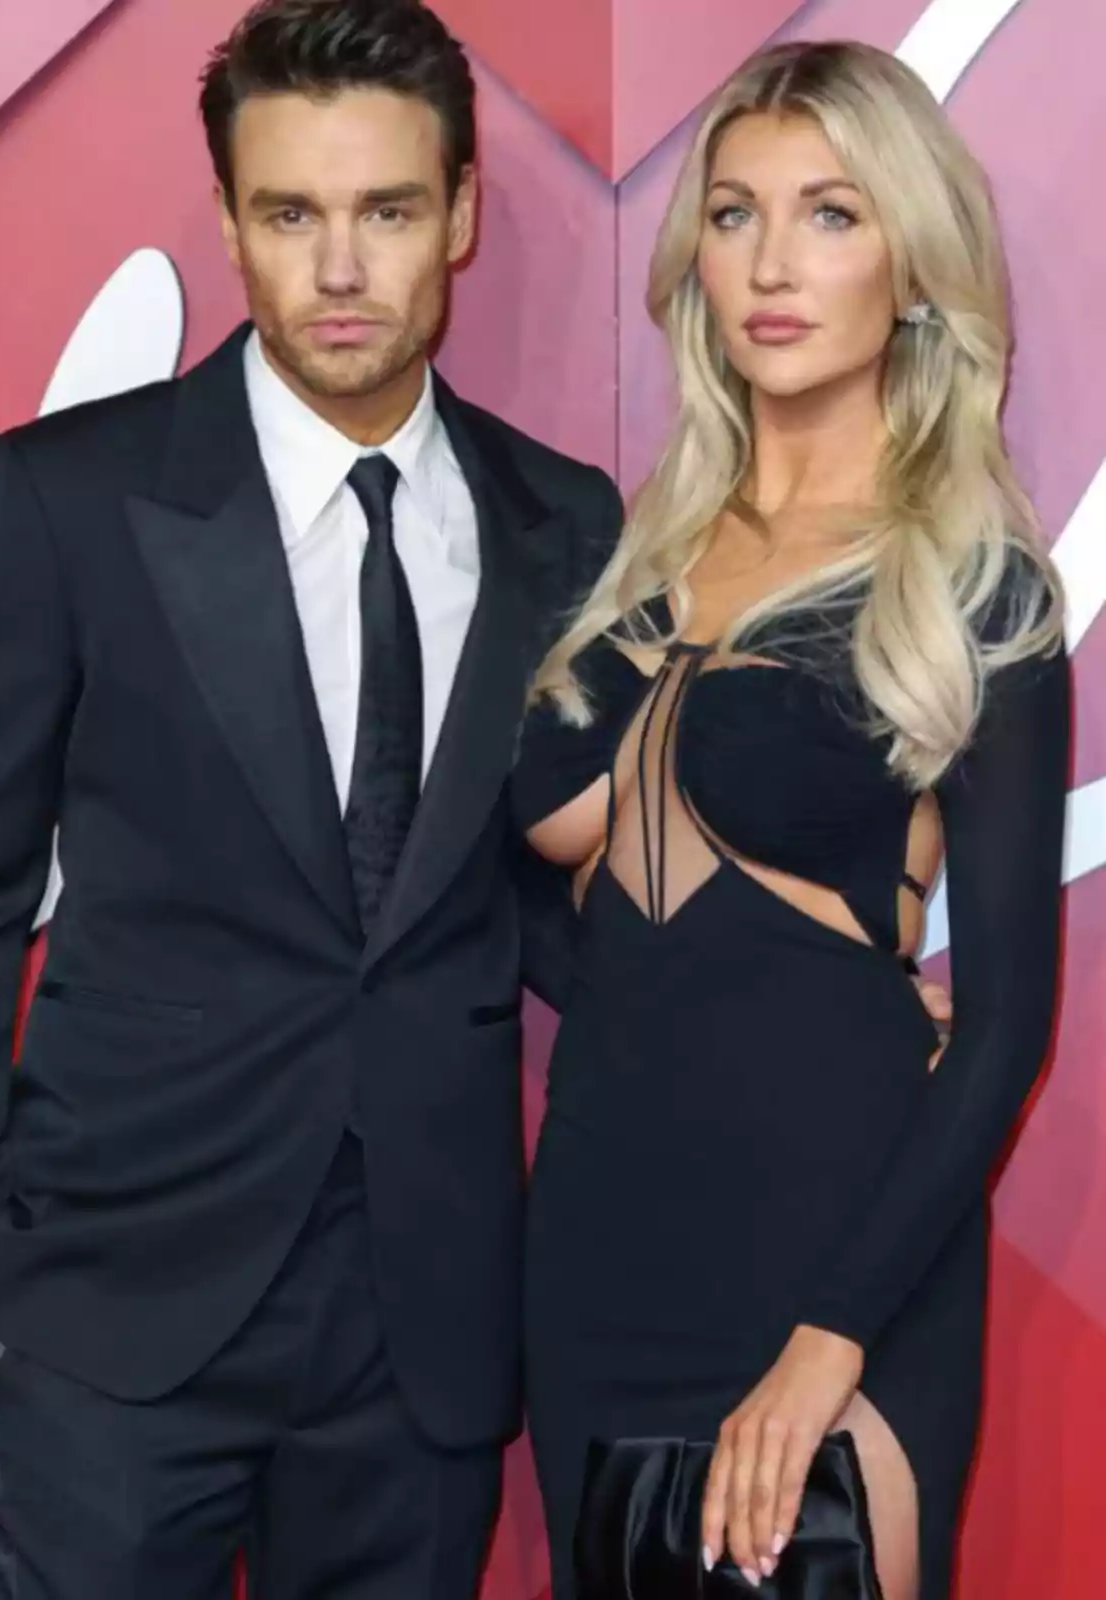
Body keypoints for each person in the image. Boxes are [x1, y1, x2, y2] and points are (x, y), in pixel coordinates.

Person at [0, 2, 625, 1596]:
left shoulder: (562, 523)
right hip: (106, 1316)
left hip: (422, 1338)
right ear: (232, 222)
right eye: (292, 214)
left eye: (386, 210)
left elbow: (551, 898)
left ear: (464, 212)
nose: (343, 267)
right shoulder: (66, 498)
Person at [514, 39, 1068, 1600]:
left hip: (836, 1255)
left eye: (830, 214)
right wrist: (747, 980)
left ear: (911, 263)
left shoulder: (973, 585)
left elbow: (1012, 1021)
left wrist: (833, 1339)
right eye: (737, 214)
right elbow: (519, 902)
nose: (770, 262)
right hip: (603, 1247)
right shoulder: (623, 570)